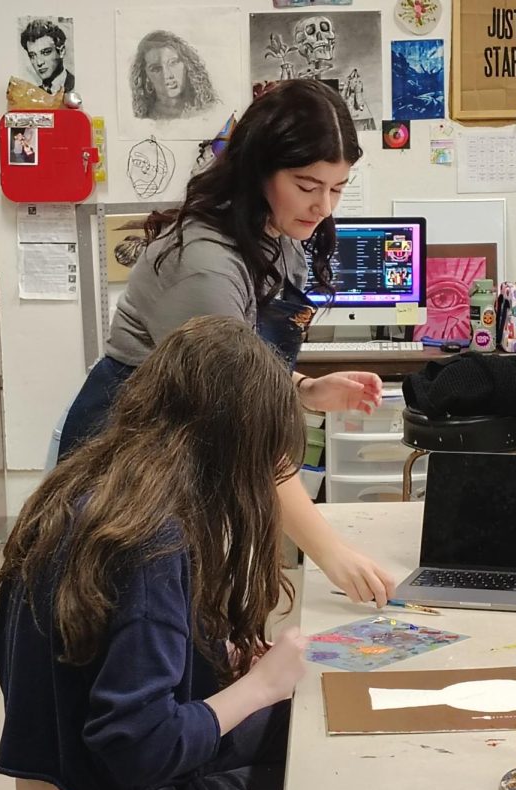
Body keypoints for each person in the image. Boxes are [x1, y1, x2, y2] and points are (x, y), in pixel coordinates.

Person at [0, 316, 308, 790]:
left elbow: (95, 660)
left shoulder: (91, 488)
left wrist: (215, 656)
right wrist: (260, 686)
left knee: (300, 729)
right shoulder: (152, 544)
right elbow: (138, 745)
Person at [60, 78, 395, 606]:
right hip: (132, 452)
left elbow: (242, 364)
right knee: (135, 622)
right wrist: (332, 553)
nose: (324, 207)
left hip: (198, 439)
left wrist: (304, 389)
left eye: (338, 188)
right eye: (308, 186)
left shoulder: (278, 236)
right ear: (257, 170)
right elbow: (238, 421)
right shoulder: (204, 264)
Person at [130, 30, 218, 120]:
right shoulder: (144, 120)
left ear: (187, 65)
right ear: (146, 76)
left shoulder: (209, 112)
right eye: (156, 69)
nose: (167, 75)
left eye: (173, 63)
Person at [21, 18, 74, 95]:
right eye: (32, 55)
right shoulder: (34, 94)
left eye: (45, 52)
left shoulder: (74, 86)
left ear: (61, 51)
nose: (39, 62)